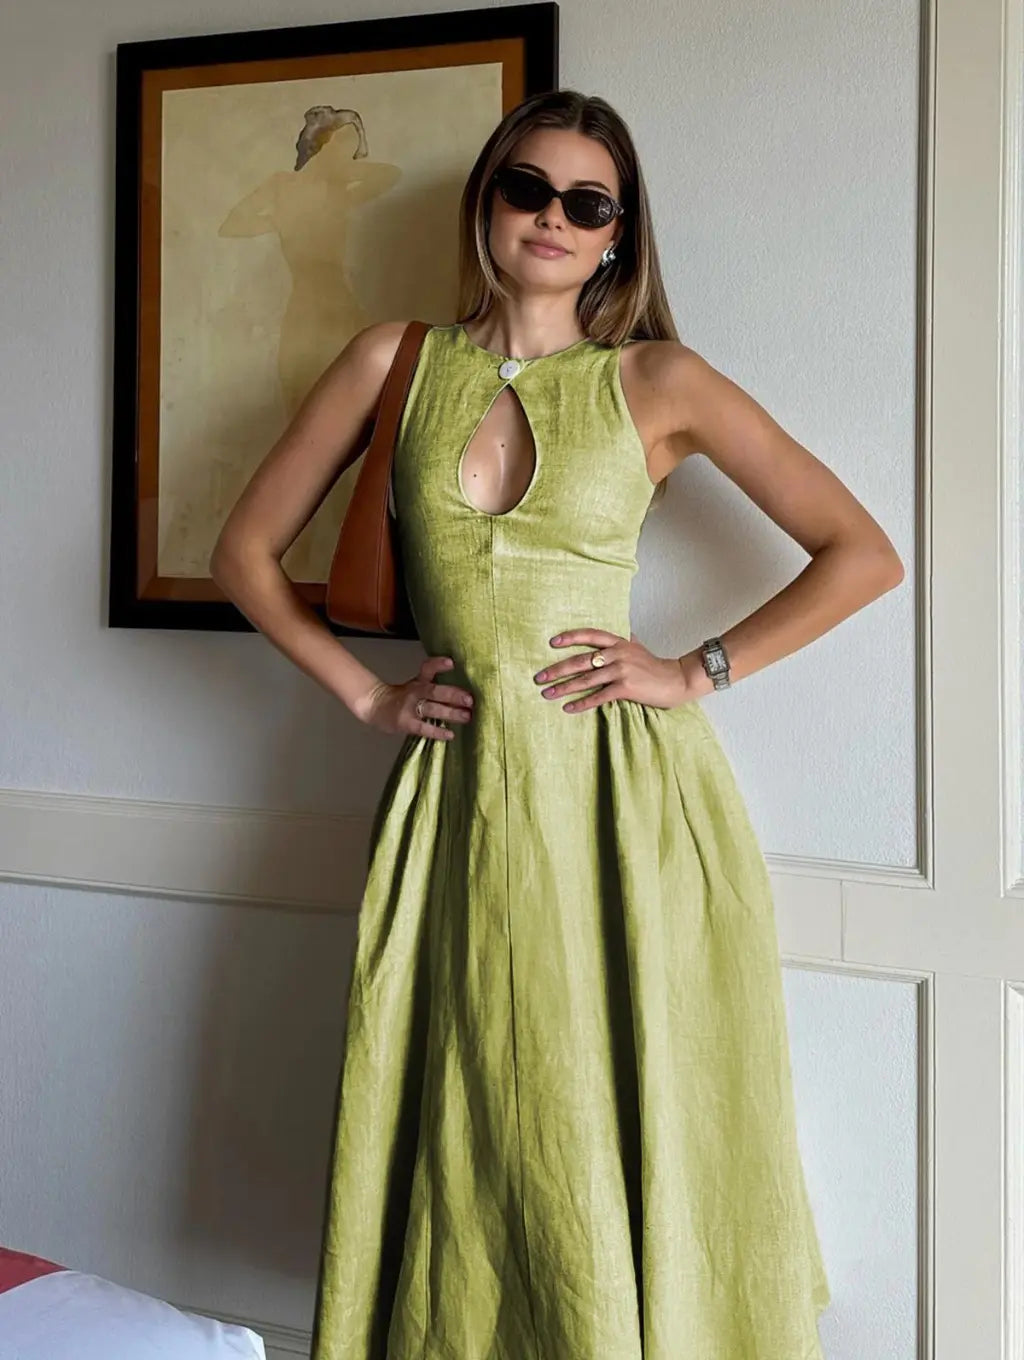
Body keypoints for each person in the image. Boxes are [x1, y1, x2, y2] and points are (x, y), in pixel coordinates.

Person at [210, 89, 903, 1360]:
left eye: (588, 204)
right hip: (459, 789)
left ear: (618, 236)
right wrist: (366, 694)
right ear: (487, 200)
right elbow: (244, 553)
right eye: (528, 188)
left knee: (607, 1093)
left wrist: (694, 670)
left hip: (616, 801)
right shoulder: (392, 360)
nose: (553, 219)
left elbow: (862, 553)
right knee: (479, 1093)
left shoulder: (656, 378)